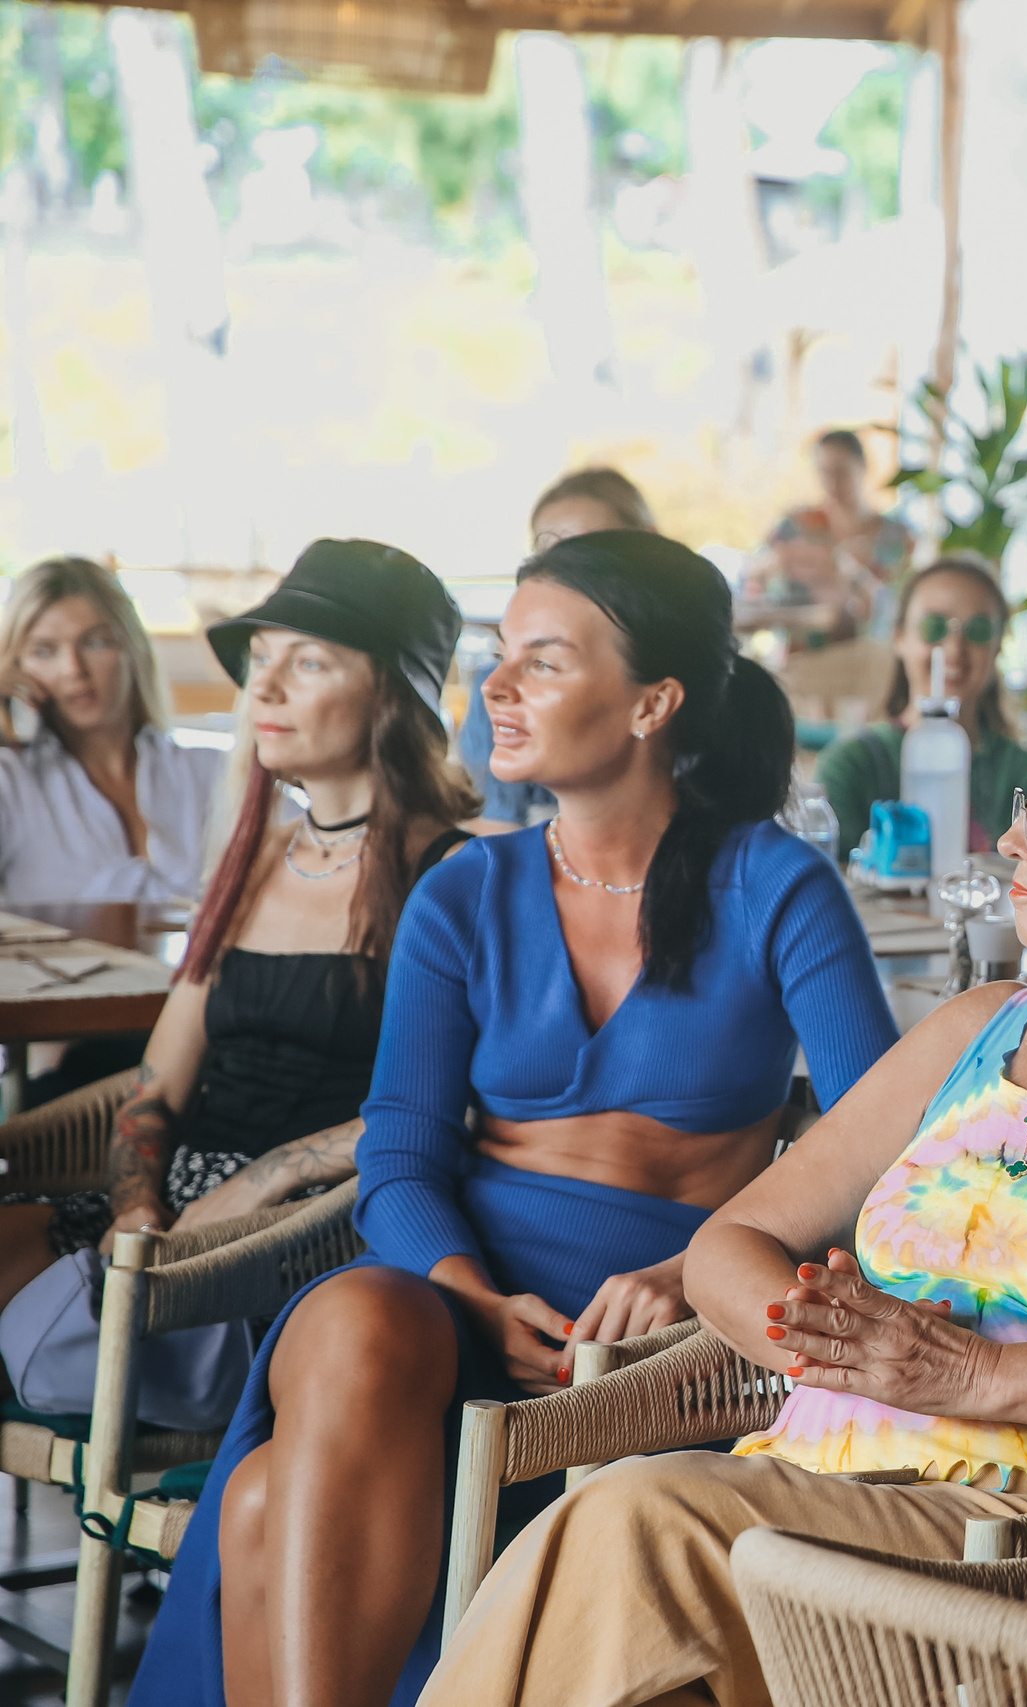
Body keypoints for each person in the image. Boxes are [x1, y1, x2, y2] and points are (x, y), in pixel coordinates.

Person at [420, 653, 1027, 1707]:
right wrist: (847, 1353)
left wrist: (981, 1378)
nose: (1012, 842)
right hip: (804, 1496)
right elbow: (730, 1245)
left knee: (636, 1514)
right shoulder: (977, 1027)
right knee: (638, 1619)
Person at [130, 531, 900, 1707]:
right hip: (458, 1302)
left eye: (542, 660)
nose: (496, 685)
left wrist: (701, 1270)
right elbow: (401, 1149)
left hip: (665, 1345)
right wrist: (471, 1292)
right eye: (499, 654)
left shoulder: (776, 886)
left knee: (262, 1500)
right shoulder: (465, 892)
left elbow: (882, 1156)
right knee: (351, 1317)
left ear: (651, 703)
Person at [0, 541, 477, 1329]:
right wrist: (136, 1204)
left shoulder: (460, 870)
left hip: (316, 1225)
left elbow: (467, 1106)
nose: (264, 686)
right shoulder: (254, 856)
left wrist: (267, 1176)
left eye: (308, 662)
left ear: (394, 696)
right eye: (260, 659)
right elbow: (155, 1090)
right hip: (182, 1207)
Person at [0, 555, 223, 904]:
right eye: (44, 651)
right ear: (14, 668)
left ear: (131, 649)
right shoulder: (11, 784)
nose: (73, 668)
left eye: (95, 643)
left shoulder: (210, 774)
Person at [814, 554, 1027, 858]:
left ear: (998, 645)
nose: (954, 648)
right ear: (899, 637)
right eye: (934, 627)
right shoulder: (852, 767)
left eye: (978, 630)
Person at [461, 468, 657, 827]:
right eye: (549, 557)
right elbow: (496, 830)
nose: (566, 575)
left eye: (591, 554)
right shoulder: (495, 691)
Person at [760, 427, 914, 641]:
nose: (832, 483)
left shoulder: (897, 536)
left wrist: (854, 574)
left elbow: (904, 604)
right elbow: (755, 575)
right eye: (824, 472)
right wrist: (774, 565)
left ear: (863, 467)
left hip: (871, 653)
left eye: (842, 472)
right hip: (800, 652)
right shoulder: (795, 526)